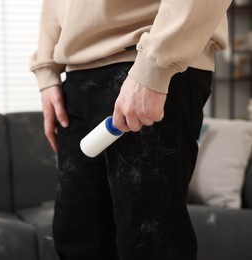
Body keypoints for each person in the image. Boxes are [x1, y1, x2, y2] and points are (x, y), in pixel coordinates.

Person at [30, 1, 231, 259]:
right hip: (76, 75)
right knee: (75, 237)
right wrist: (47, 72)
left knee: (149, 244)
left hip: (146, 61)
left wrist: (154, 66)